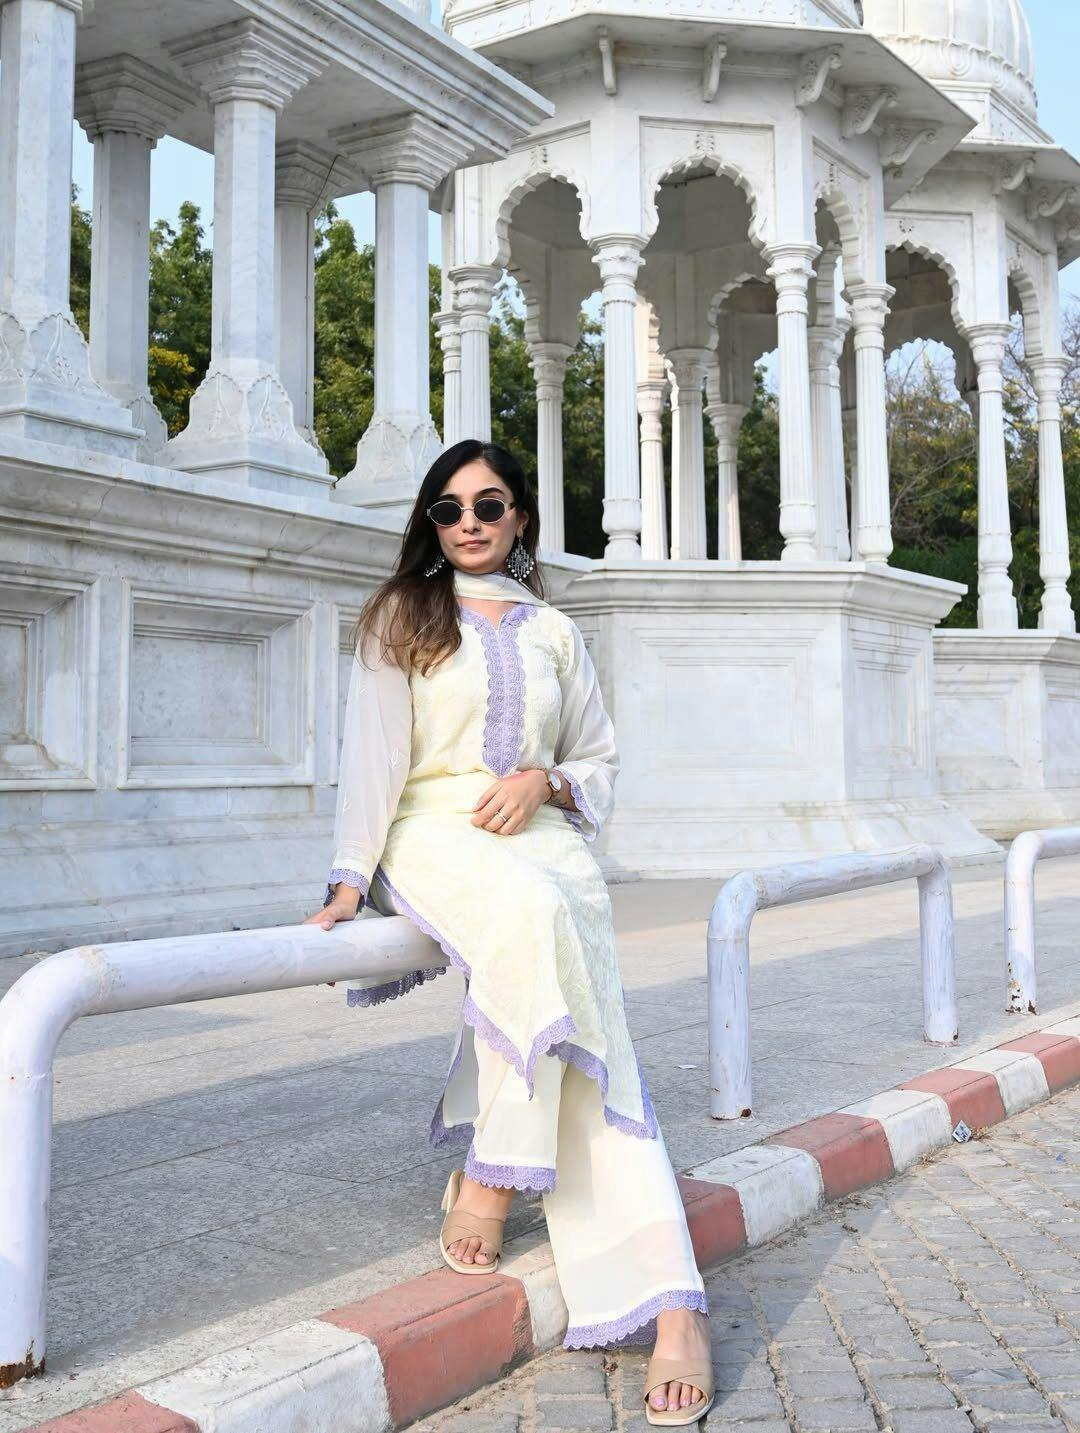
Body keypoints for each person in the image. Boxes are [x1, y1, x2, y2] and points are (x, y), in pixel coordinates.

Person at [305, 439, 713, 1425]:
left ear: (521, 516)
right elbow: (374, 755)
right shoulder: (402, 614)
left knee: (595, 1030)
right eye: (448, 509)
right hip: (433, 834)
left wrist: (547, 780)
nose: (470, 523)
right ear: (431, 523)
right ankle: (500, 1180)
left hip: (544, 839)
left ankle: (670, 1301)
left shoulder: (556, 631)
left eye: (489, 504)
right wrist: (349, 877)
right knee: (533, 918)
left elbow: (598, 757)